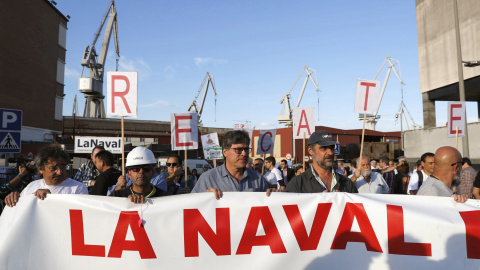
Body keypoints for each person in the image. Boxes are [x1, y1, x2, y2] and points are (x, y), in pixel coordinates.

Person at [192, 130, 272, 199]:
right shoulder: (208, 178)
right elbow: (191, 207)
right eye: (238, 149)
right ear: (225, 152)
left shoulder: (258, 178)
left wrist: (273, 196)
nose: (244, 153)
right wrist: (204, 198)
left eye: (246, 149)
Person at [4, 145, 88, 207]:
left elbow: (79, 216)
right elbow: (20, 210)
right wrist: (13, 198)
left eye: (63, 166)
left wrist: (50, 199)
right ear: (41, 169)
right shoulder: (31, 186)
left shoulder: (78, 188)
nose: (59, 172)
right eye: (53, 168)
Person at [285, 130, 357, 193]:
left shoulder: (347, 183)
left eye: (332, 147)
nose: (330, 152)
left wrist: (343, 200)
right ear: (311, 151)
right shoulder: (297, 184)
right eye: (324, 148)